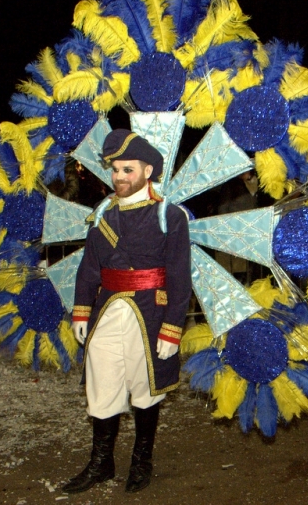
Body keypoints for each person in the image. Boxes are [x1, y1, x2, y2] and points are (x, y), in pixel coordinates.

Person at [64, 129, 191, 494]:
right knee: (101, 386)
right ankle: (101, 463)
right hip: (107, 310)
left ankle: (141, 461)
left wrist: (171, 329)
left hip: (150, 312)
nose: (119, 176)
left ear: (147, 171)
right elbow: (89, 268)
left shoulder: (170, 215)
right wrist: (81, 311)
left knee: (146, 388)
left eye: (128, 169)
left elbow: (180, 276)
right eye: (115, 169)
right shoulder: (102, 213)